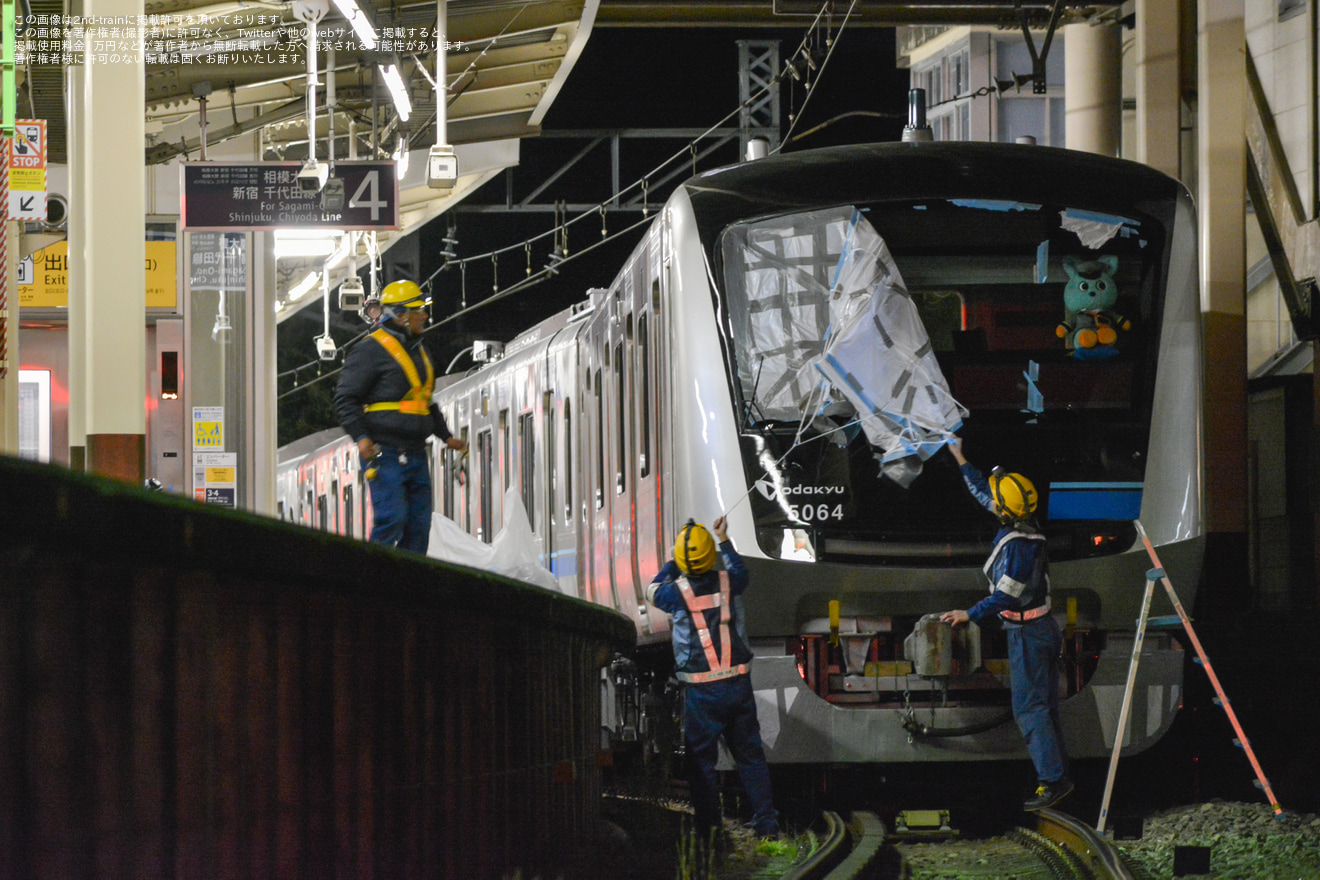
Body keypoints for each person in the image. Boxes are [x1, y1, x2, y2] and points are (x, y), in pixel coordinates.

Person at [939, 436, 1073, 811]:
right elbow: (986, 492)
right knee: (1044, 708)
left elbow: (1006, 596)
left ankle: (1051, 782)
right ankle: (1060, 776)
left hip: (1028, 635)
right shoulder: (1025, 524)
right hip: (1041, 629)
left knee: (1030, 709)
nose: (991, 500)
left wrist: (970, 613)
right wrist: (960, 455)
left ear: (1004, 510)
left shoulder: (1018, 548)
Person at [645, 516, 780, 841]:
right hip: (737, 686)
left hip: (701, 693)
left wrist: (675, 561)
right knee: (749, 756)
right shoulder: (730, 580)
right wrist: (722, 538)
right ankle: (766, 823)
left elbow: (651, 589)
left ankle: (710, 828)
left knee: (701, 763)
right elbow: (739, 568)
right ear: (710, 555)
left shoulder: (675, 594)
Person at [333, 279, 468, 553]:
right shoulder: (369, 350)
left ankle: (406, 589)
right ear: (401, 314)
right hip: (384, 453)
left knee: (419, 528)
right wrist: (360, 436)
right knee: (391, 518)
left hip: (416, 453)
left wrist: (447, 437)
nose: (425, 316)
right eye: (420, 310)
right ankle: (370, 582)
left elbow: (424, 402)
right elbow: (345, 399)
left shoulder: (420, 351)